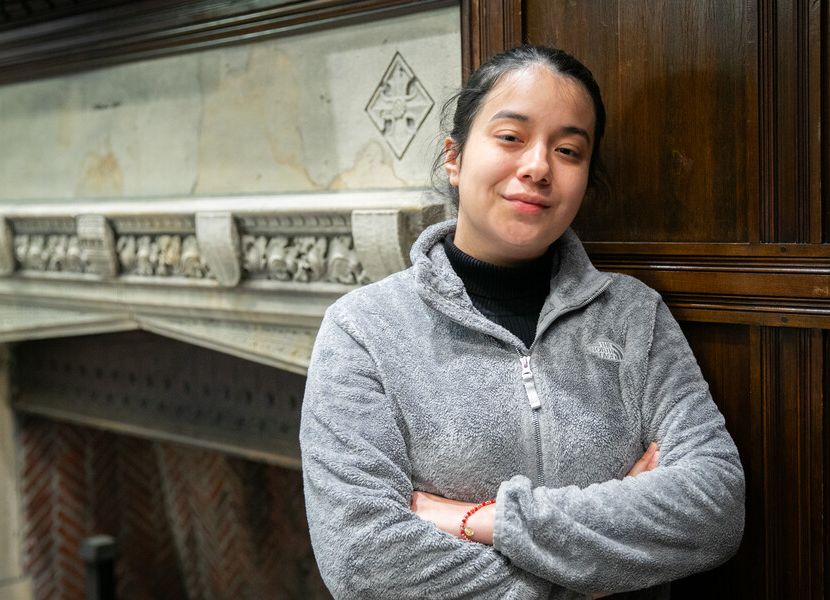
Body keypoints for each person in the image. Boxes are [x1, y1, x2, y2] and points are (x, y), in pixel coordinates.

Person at [299, 45, 745, 599]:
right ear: (454, 158)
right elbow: (362, 560)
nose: (537, 167)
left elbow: (716, 506)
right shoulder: (362, 331)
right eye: (511, 137)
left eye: (568, 150)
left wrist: (482, 520)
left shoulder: (634, 316)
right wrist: (595, 573)